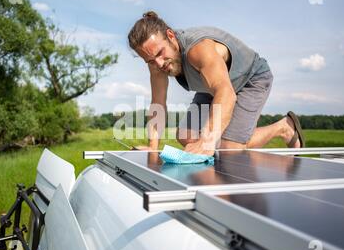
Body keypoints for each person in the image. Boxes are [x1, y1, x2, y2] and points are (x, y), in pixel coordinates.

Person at [128, 11, 305, 156]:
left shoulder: (197, 49)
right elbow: (158, 103)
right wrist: (152, 146)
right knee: (185, 135)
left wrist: (208, 140)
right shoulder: (156, 64)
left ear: (170, 36)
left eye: (160, 53)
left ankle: (283, 127)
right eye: (150, 60)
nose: (159, 64)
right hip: (211, 85)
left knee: (228, 148)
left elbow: (225, 92)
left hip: (250, 79)